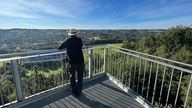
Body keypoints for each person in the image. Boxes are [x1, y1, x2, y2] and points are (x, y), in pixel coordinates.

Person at [58, 28, 84, 97]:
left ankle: (74, 91)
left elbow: (59, 48)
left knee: (72, 77)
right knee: (80, 77)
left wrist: (65, 43)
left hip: (72, 62)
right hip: (80, 61)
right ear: (76, 34)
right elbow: (80, 46)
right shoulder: (79, 39)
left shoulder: (68, 40)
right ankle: (78, 92)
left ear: (70, 34)